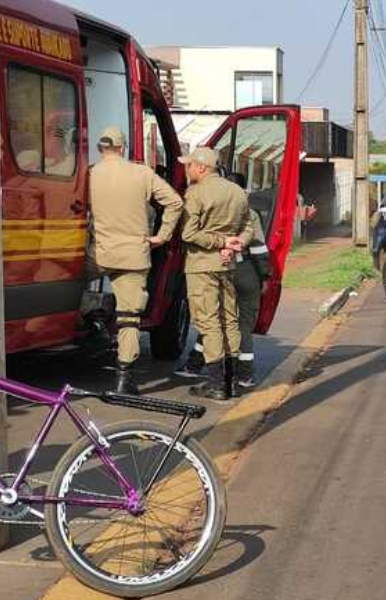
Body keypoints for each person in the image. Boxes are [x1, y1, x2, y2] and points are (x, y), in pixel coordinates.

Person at [88, 126, 184, 394]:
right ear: (123, 148)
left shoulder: (90, 174)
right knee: (129, 317)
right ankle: (123, 379)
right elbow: (175, 202)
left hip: (99, 253)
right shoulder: (142, 173)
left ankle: (92, 314)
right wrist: (162, 236)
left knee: (69, 285)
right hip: (134, 254)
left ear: (100, 148)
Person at [177, 174, 271, 390]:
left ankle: (196, 365)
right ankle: (243, 375)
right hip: (246, 271)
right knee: (241, 324)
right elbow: (258, 248)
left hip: (218, 266)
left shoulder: (210, 206)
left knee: (211, 322)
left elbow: (192, 233)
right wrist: (265, 276)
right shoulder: (249, 212)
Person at [179, 147, 253, 401]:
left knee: (209, 323)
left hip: (202, 265)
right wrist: (236, 243)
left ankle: (215, 384)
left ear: (201, 167)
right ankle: (232, 382)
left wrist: (222, 242)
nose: (186, 169)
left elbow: (189, 234)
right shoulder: (237, 191)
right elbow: (248, 227)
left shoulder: (196, 193)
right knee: (229, 319)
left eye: (189, 165)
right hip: (228, 265)